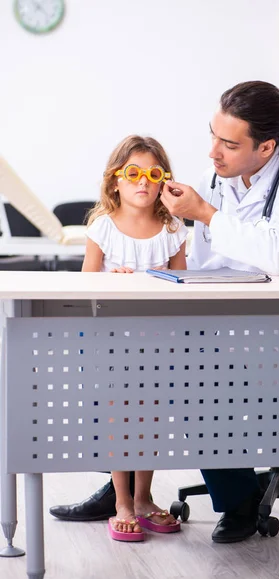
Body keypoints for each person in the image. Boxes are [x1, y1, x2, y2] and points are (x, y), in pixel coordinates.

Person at [50, 81, 279, 543]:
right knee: (138, 372)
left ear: (267, 146)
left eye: (228, 143)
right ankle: (123, 490)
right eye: (213, 136)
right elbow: (197, 262)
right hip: (220, 315)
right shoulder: (216, 178)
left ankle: (236, 500)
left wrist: (206, 214)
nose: (213, 153)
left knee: (195, 374)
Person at [81, 134, 187, 540]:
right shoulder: (103, 228)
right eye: (133, 173)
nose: (143, 181)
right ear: (115, 181)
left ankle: (143, 499)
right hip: (113, 341)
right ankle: (122, 500)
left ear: (164, 182)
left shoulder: (173, 228)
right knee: (118, 420)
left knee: (151, 419)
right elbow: (86, 285)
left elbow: (182, 282)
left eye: (153, 174)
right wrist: (112, 282)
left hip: (158, 340)